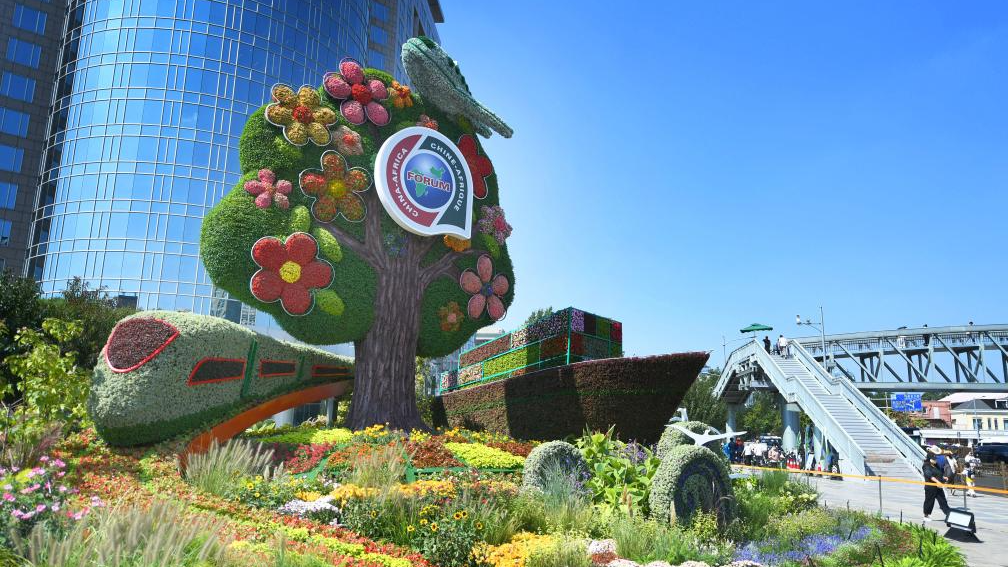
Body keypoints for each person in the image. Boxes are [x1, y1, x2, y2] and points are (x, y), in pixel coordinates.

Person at [922, 449, 951, 521]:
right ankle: (926, 515)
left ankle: (948, 514)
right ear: (929, 459)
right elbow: (930, 476)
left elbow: (938, 474)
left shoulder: (936, 465)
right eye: (933, 459)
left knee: (943, 501)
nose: (935, 460)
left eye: (935, 459)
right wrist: (938, 482)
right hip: (930, 487)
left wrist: (943, 478)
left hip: (938, 487)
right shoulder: (926, 466)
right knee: (929, 501)